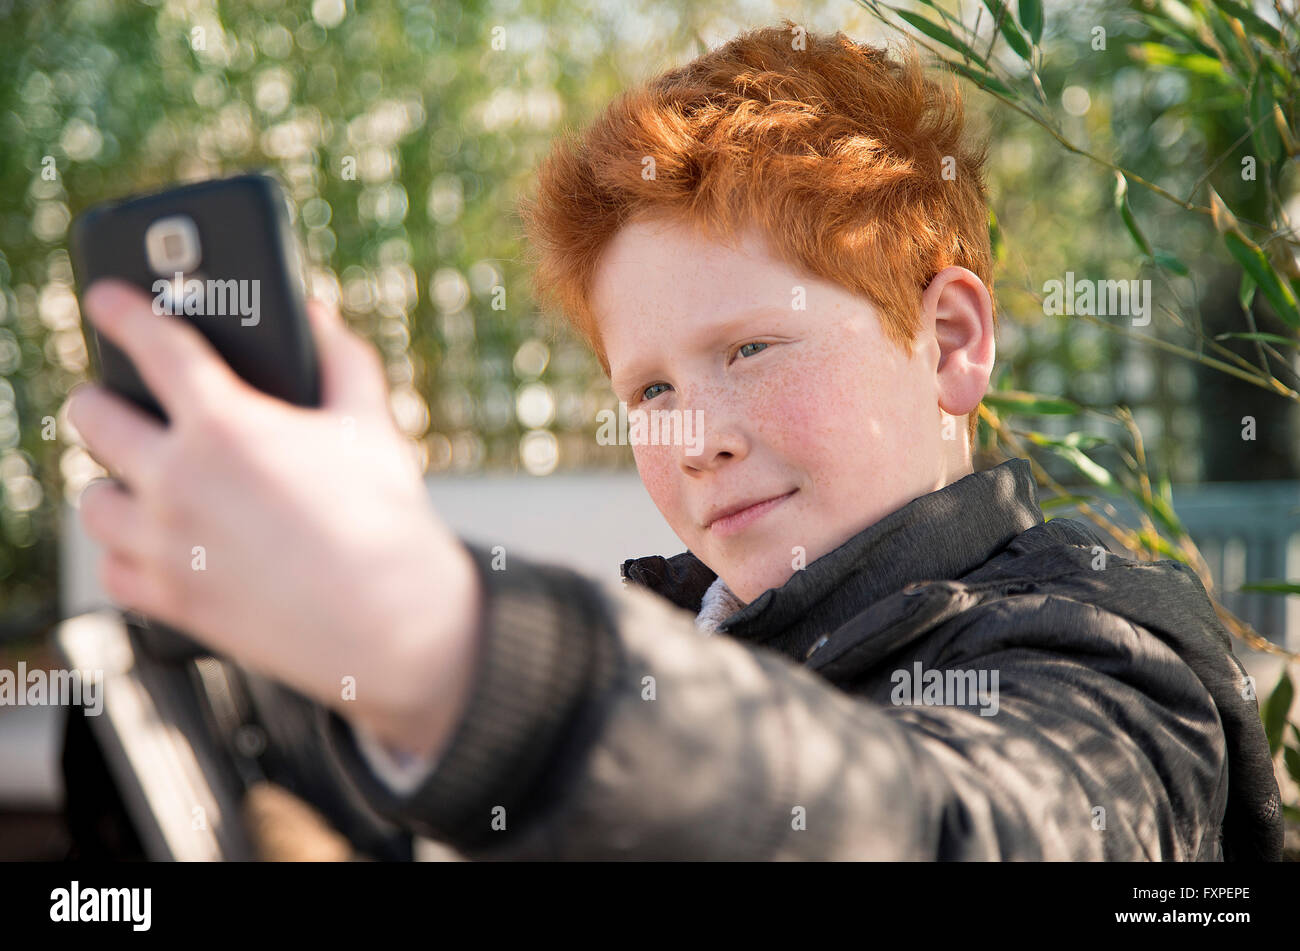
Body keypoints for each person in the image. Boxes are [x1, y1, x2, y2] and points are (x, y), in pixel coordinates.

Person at [67, 21, 1282, 860]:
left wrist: (451, 646)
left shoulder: (1111, 661)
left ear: (951, 340)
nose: (693, 438)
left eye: (750, 349)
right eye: (647, 391)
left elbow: (957, 829)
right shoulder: (663, 634)